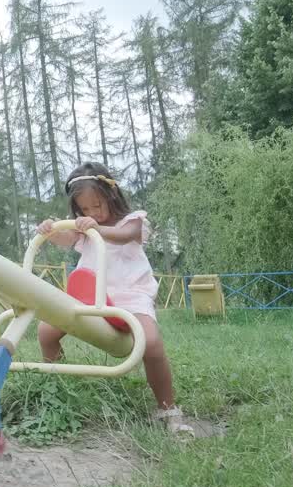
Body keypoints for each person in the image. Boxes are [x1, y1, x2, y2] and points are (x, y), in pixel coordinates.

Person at [36, 162, 193, 437]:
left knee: (152, 345)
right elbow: (63, 238)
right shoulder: (82, 230)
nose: (92, 213)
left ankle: (167, 409)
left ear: (111, 195)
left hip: (130, 295)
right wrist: (49, 230)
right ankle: (58, 393)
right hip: (91, 296)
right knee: (46, 331)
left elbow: (124, 236)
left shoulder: (132, 221)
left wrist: (95, 228)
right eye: (84, 209)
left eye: (97, 205)